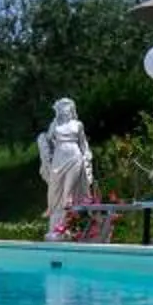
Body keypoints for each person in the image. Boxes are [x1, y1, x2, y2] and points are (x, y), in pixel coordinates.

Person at [37, 97, 96, 232]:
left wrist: (86, 156)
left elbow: (83, 143)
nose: (65, 112)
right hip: (59, 158)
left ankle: (65, 220)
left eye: (67, 109)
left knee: (68, 191)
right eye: (62, 110)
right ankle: (53, 209)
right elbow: (48, 140)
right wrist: (43, 145)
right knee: (54, 186)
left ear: (71, 110)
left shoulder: (78, 125)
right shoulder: (55, 125)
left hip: (75, 157)